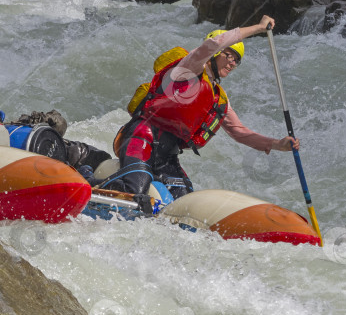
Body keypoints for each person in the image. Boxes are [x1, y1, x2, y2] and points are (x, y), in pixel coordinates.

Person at [103, 15, 299, 204]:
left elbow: (239, 132)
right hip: (142, 137)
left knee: (184, 200)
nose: (233, 64)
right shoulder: (189, 67)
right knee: (134, 190)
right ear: (216, 53)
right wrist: (258, 28)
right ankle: (86, 175)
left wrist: (277, 144)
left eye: (237, 61)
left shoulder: (217, 97)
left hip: (167, 155)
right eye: (230, 56)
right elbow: (213, 44)